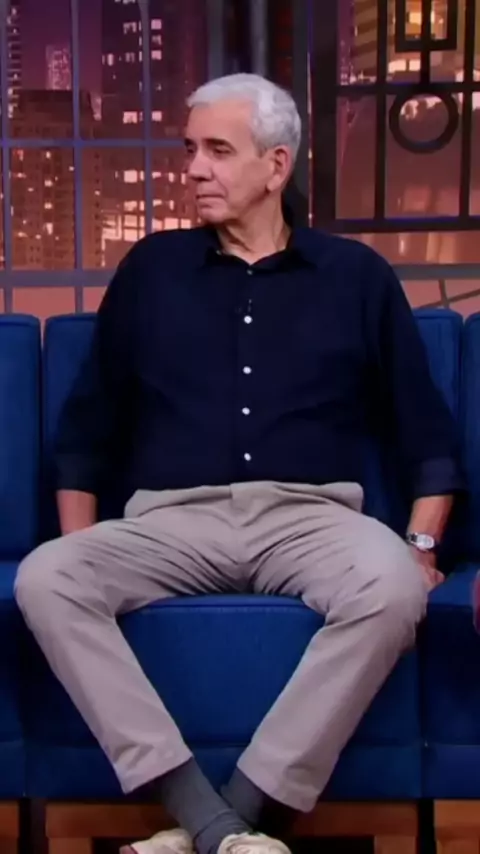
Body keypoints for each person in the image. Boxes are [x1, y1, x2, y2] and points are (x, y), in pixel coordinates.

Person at [15, 73, 464, 854]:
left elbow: (426, 436)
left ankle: (224, 819)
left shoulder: (355, 276)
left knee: (393, 586)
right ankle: (213, 819)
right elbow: (85, 431)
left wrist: (421, 546)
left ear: (276, 165)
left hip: (312, 519)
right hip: (170, 523)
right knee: (46, 578)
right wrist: (78, 544)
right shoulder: (151, 270)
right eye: (189, 149)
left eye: (218, 151)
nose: (193, 168)